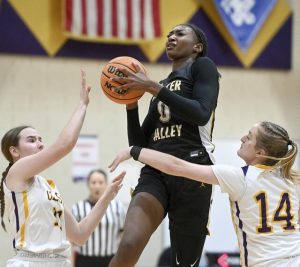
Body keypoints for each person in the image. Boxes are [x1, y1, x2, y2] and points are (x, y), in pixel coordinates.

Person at [110, 121, 300, 267]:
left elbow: (176, 166)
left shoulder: (240, 177)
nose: (243, 138)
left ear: (260, 152)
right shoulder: (291, 182)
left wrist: (135, 151)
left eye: (249, 137)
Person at [109, 23, 220, 267]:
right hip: (155, 173)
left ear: (197, 46)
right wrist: (131, 104)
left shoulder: (203, 66)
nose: (171, 36)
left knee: (183, 263)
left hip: (193, 170)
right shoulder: (163, 84)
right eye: (169, 33)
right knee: (128, 245)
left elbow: (201, 113)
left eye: (180, 33)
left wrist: (151, 87)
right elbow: (139, 145)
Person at [0, 70, 125, 267]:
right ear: (14, 151)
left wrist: (107, 197)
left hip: (59, 262)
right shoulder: (15, 173)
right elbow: (64, 144)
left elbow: (80, 234)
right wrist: (82, 105)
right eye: (31, 140)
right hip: (28, 262)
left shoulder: (49, 187)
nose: (40, 144)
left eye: (41, 139)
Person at [71, 169, 126, 267]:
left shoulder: (118, 207)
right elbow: (71, 241)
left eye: (101, 182)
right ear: (88, 184)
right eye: (93, 182)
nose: (97, 186)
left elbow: (123, 236)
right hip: (84, 260)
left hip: (110, 260)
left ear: (106, 185)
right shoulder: (78, 208)